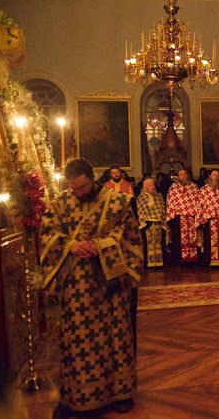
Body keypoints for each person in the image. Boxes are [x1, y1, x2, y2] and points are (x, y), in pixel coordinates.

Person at [40, 158, 141, 417]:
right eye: (73, 189)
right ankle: (75, 395)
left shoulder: (117, 202)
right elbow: (47, 234)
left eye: (82, 188)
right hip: (74, 288)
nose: (78, 193)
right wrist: (69, 245)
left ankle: (120, 393)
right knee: (76, 342)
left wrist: (102, 246)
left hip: (108, 284)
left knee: (114, 338)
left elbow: (130, 236)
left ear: (92, 178)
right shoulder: (60, 203)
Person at [166, 169, 201, 264]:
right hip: (179, 219)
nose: (183, 176)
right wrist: (171, 217)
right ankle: (180, 260)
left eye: (185, 174)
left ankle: (193, 260)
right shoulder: (173, 188)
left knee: (193, 238)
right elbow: (170, 202)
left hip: (192, 218)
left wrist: (198, 215)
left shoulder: (194, 187)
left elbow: (198, 202)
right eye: (181, 174)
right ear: (178, 176)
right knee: (179, 240)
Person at [137, 178, 168, 267]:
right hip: (147, 225)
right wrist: (147, 220)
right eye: (150, 185)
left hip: (159, 224)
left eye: (153, 185)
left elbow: (162, 209)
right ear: (145, 187)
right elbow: (141, 211)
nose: (153, 187)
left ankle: (159, 263)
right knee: (147, 245)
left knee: (159, 244)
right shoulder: (141, 197)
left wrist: (161, 219)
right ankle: (148, 263)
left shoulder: (159, 196)